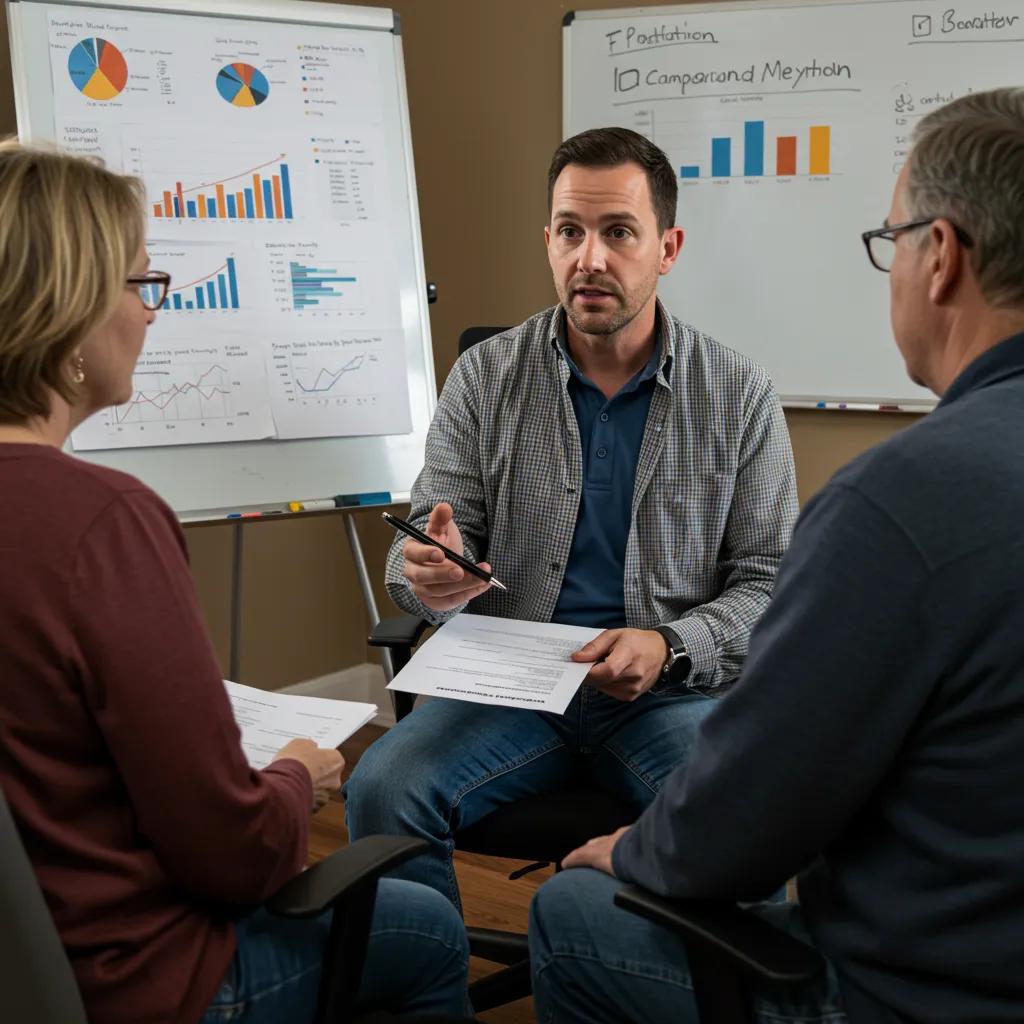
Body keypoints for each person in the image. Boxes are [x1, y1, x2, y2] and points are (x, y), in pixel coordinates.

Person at [528, 87, 1024, 1023]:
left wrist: (633, 853)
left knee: (573, 908)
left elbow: (755, 812)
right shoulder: (489, 375)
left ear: (943, 257)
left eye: (892, 242)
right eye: (568, 231)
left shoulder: (896, 504)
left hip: (908, 994)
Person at [0, 141, 469, 1023]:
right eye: (141, 286)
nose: (150, 316)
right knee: (427, 930)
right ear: (68, 314)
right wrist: (298, 775)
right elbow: (236, 857)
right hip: (134, 983)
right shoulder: (101, 523)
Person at [345, 127, 798, 909]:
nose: (590, 257)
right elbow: (424, 552)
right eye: (570, 232)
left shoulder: (739, 394)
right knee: (383, 788)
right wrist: (433, 575)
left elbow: (769, 585)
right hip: (510, 689)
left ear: (668, 247)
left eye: (618, 232)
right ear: (548, 241)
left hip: (669, 697)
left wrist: (667, 644)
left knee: (750, 812)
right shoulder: (485, 377)